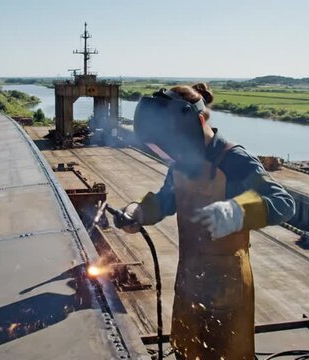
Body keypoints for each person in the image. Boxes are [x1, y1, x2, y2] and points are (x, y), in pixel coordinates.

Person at [117, 83, 295, 359]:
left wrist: (237, 211)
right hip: (190, 276)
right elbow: (167, 199)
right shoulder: (182, 162)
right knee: (186, 349)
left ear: (199, 122)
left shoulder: (234, 160)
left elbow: (284, 203)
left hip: (227, 285)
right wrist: (138, 211)